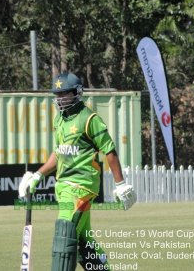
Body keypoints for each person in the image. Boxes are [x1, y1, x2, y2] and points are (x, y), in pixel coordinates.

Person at [19, 72, 136, 271]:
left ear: (76, 93)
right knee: (82, 241)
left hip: (82, 186)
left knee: (65, 233)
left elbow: (109, 150)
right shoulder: (60, 120)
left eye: (64, 94)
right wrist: (38, 175)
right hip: (64, 187)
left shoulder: (89, 118)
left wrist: (120, 184)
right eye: (57, 95)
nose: (60, 99)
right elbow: (59, 153)